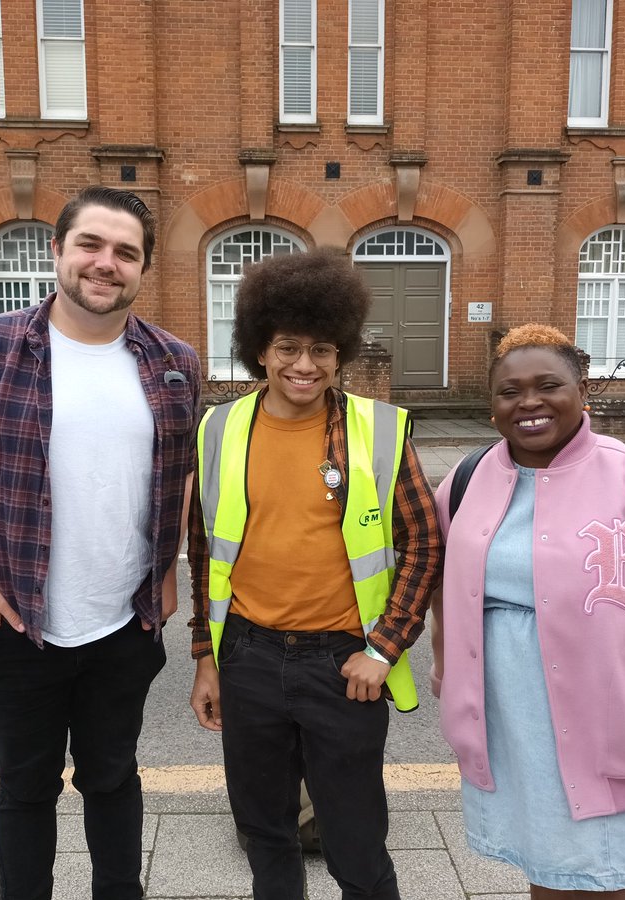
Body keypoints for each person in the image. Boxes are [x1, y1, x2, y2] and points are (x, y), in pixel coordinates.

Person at [0, 185, 201, 900]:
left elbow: (183, 472)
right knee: (27, 784)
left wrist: (169, 573)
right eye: (90, 245)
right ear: (57, 251)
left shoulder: (175, 363)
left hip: (125, 623)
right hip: (13, 622)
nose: (106, 264)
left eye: (125, 252)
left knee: (113, 777)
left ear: (143, 268)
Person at [430, 323, 625, 899]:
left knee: (614, 882)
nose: (529, 402)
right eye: (509, 390)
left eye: (548, 385)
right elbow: (443, 584)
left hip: (610, 741)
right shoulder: (466, 481)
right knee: (547, 875)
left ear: (583, 393)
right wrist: (447, 667)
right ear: (491, 405)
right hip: (511, 731)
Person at [187, 247, 441, 900]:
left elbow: (424, 544)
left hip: (342, 668)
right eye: (288, 347)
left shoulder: (378, 431)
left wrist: (383, 650)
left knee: (356, 844)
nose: (305, 365)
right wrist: (206, 659)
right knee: (266, 835)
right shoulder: (218, 428)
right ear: (259, 349)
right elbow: (203, 547)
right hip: (248, 656)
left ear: (341, 353)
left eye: (322, 350)